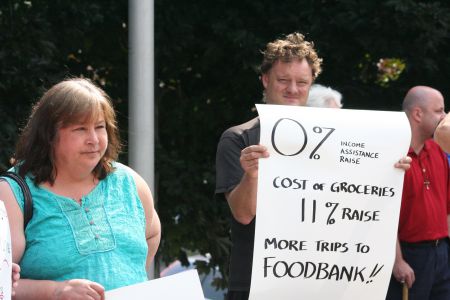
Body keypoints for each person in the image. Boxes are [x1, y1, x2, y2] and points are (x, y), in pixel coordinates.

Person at [215, 32, 411, 300]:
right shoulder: (239, 139)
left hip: (324, 281)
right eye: (283, 80)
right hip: (257, 283)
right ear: (265, 80)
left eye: (302, 82)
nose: (292, 89)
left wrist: (389, 170)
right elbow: (243, 214)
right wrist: (251, 176)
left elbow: (360, 202)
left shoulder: (344, 139)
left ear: (311, 84)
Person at [0, 78, 161, 299]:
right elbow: (3, 285)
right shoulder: (13, 193)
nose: (93, 139)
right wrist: (55, 291)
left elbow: (152, 233)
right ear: (49, 135)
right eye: (80, 129)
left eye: (100, 127)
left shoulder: (129, 182)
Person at [386, 86, 450, 300]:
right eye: (439, 111)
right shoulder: (392, 155)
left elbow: (446, 210)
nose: (444, 117)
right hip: (409, 255)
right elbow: (383, 214)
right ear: (417, 114)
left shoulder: (439, 151)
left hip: (441, 253)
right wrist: (397, 261)